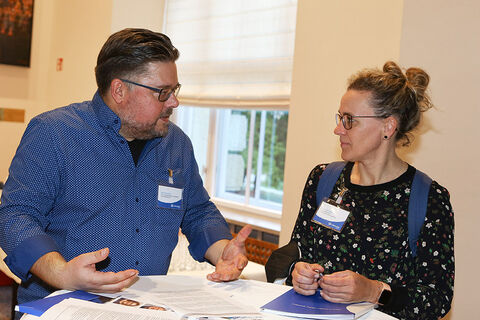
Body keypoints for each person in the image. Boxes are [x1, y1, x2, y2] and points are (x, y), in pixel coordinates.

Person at [0, 28, 251, 315]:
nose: (174, 102)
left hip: (147, 308)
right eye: (163, 93)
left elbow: (196, 211)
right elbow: (16, 215)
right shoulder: (54, 134)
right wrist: (61, 273)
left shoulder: (176, 144)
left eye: (175, 90)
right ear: (119, 90)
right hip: (62, 307)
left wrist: (222, 251)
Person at [267, 61, 454, 320]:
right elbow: (296, 249)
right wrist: (296, 272)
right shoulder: (324, 180)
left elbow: (436, 300)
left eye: (349, 121)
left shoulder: (428, 199)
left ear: (388, 127)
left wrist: (373, 290)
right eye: (340, 118)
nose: (338, 129)